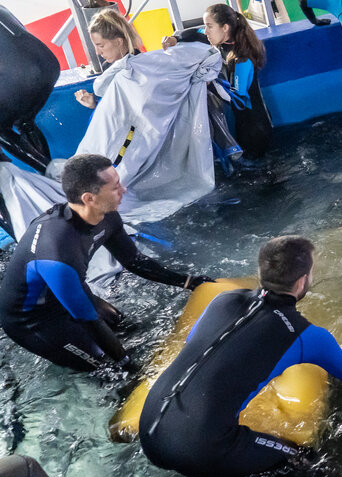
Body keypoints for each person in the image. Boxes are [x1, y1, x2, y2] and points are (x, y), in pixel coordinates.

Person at [138, 236, 342, 477]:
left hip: (149, 429)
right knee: (301, 459)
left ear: (260, 272)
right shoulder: (307, 336)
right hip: (201, 448)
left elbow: (207, 350)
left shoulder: (223, 301)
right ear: (303, 281)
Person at [0, 154, 212, 373]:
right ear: (89, 198)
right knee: (107, 368)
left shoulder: (107, 216)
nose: (124, 190)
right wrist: (130, 367)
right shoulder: (57, 251)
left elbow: (135, 261)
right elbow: (88, 319)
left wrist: (188, 281)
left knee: (127, 328)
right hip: (31, 321)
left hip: (64, 295)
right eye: (115, 187)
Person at [161, 4, 272, 167]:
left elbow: (238, 100)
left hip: (256, 129)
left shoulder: (242, 59)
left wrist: (208, 82)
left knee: (261, 171)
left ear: (225, 27)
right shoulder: (223, 41)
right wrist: (176, 38)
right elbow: (196, 32)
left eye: (209, 26)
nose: (206, 31)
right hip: (243, 124)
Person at [0, 5, 60, 173]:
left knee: (1, 127)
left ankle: (52, 174)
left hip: (19, 73)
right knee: (25, 120)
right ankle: (51, 172)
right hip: (48, 65)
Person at [74, 10, 145, 109]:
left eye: (101, 46)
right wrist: (94, 104)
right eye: (95, 46)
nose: (98, 52)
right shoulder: (108, 66)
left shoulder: (140, 67)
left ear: (118, 42)